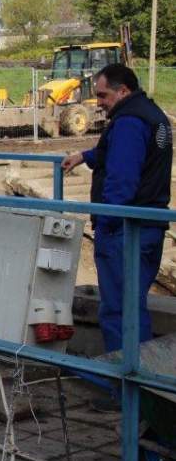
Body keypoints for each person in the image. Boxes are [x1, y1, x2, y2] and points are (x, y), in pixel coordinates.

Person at [62, 64, 172, 363]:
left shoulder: (128, 122)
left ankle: (124, 389)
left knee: (118, 310)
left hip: (124, 229)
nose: (99, 102)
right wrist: (84, 156)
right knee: (133, 307)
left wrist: (105, 222)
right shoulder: (151, 115)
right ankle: (144, 386)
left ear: (122, 91)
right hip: (149, 224)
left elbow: (122, 179)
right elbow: (119, 152)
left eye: (103, 95)